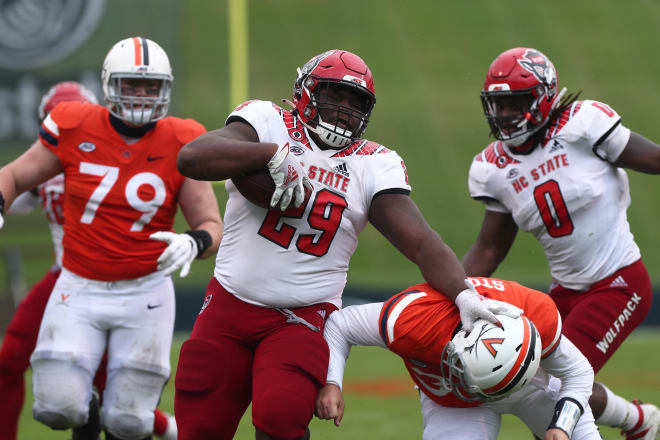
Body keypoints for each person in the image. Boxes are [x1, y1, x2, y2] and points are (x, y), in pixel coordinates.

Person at [173, 49, 522, 440]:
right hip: (229, 304)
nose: (342, 110)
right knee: (200, 426)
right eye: (334, 96)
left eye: (354, 103)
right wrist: (271, 154)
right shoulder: (267, 122)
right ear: (306, 91)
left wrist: (463, 293)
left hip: (301, 315)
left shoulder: (373, 163)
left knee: (281, 418)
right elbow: (191, 157)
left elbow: (421, 241)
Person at [0, 37, 223, 440]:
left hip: (146, 292)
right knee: (55, 407)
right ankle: (90, 404)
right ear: (108, 84)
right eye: (131, 84)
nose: (140, 94)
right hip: (78, 286)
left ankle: (131, 417)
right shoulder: (73, 124)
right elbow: (14, 175)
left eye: (150, 86)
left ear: (165, 89)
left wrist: (195, 241)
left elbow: (211, 222)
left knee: (129, 422)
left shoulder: (181, 138)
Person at [462, 47, 660, 439]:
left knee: (556, 386)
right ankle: (640, 421)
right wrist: (446, 291)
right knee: (532, 377)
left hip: (619, 282)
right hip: (563, 292)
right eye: (498, 105)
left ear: (543, 97)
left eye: (515, 102)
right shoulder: (493, 168)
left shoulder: (583, 124)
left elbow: (655, 158)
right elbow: (489, 248)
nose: (505, 115)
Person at [316, 276, 601, 440]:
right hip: (453, 402)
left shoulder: (536, 315)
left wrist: (562, 426)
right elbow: (342, 325)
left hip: (529, 387)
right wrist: (332, 382)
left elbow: (579, 373)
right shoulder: (413, 320)